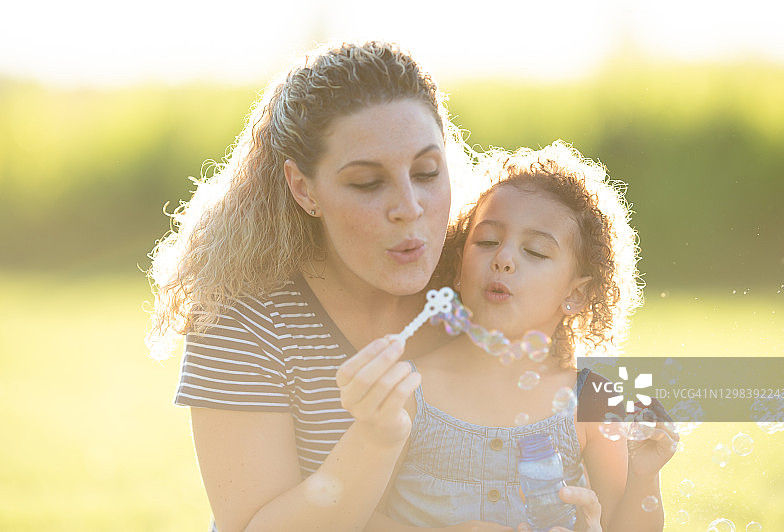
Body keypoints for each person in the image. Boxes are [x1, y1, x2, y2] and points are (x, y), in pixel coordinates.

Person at [148, 40, 605, 531]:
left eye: (427, 172)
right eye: (368, 183)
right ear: (304, 189)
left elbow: (588, 375)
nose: (409, 207)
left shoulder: (475, 278)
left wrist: (657, 438)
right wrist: (375, 438)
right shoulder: (244, 321)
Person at [365, 142, 677, 531]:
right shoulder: (409, 389)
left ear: (575, 294)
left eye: (535, 251)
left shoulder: (591, 400)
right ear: (459, 267)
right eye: (487, 242)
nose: (504, 258)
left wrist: (645, 476)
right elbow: (357, 518)